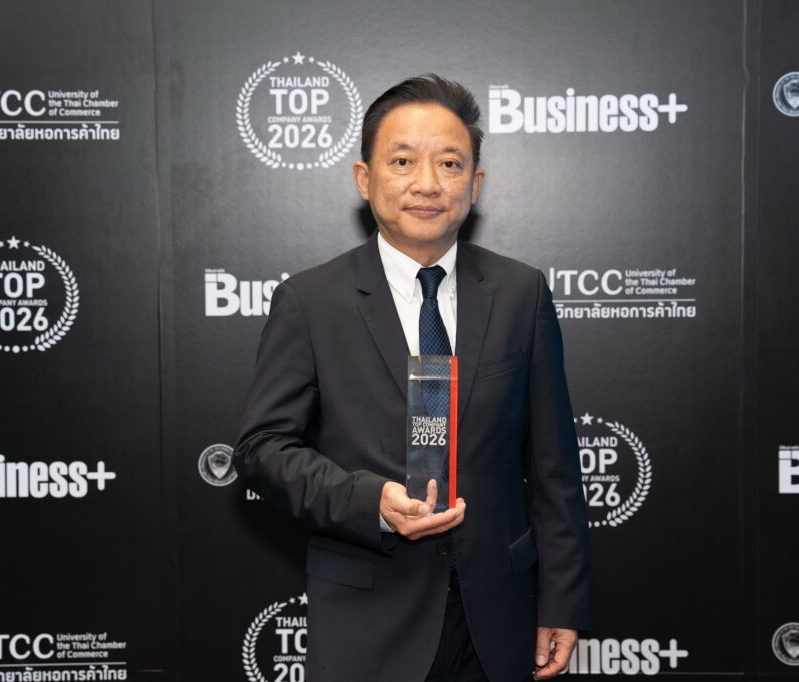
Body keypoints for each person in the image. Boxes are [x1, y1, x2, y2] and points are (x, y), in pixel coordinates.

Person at [235, 74, 591, 682]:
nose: (427, 183)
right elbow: (262, 450)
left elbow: (554, 466)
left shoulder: (520, 293)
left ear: (474, 183)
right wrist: (369, 501)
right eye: (402, 161)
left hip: (497, 619)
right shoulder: (310, 301)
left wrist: (560, 600)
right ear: (364, 177)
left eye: (450, 164)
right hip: (367, 624)